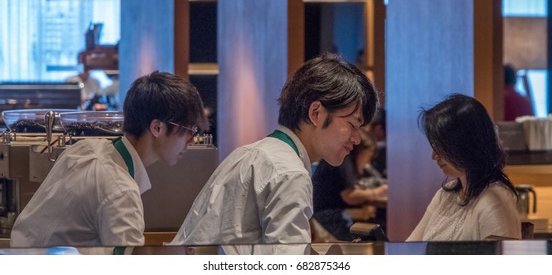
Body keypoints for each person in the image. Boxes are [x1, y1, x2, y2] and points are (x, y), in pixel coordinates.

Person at [170, 53, 379, 250]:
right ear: (316, 113)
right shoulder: (289, 172)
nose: (357, 138)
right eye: (352, 124)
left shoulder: (251, 152)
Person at [11, 71, 207, 247]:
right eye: (189, 130)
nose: (191, 140)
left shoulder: (87, 149)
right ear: (157, 128)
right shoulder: (120, 190)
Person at [407, 94, 520, 241]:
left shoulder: (494, 200)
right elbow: (409, 247)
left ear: (464, 145)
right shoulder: (445, 195)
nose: (433, 156)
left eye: (439, 146)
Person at [312, 130, 388, 241]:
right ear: (360, 151)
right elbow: (350, 196)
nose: (367, 163)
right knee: (373, 237)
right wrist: (377, 192)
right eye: (368, 156)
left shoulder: (342, 160)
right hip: (327, 219)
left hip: (328, 216)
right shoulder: (342, 161)